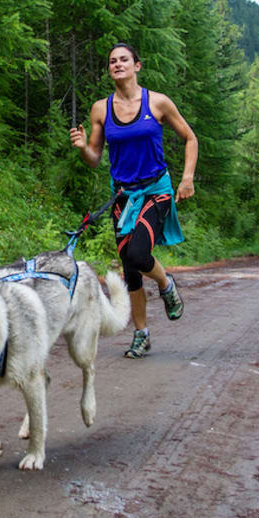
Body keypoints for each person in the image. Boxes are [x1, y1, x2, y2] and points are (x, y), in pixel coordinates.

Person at [70, 42, 198, 359]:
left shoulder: (157, 103)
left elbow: (190, 138)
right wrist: (83, 147)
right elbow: (95, 158)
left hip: (156, 189)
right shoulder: (102, 109)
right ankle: (141, 334)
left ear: (137, 66)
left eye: (124, 59)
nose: (117, 64)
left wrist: (187, 178)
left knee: (139, 253)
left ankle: (167, 285)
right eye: (112, 61)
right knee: (130, 269)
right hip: (123, 196)